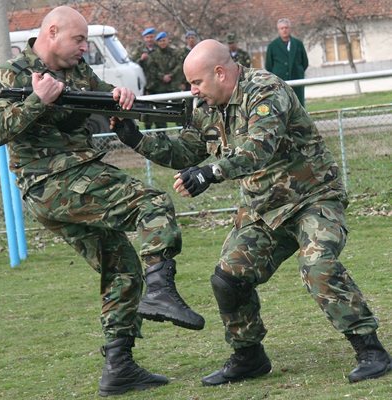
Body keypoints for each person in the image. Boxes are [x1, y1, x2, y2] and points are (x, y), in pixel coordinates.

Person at [112, 39, 391, 387]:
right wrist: (135, 139)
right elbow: (185, 151)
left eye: (196, 82)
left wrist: (210, 173)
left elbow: (258, 149)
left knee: (318, 265)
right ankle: (249, 357)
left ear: (219, 72)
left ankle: (370, 350)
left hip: (313, 198)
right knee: (228, 278)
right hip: (263, 209)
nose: (192, 91)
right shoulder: (208, 108)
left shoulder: (265, 91)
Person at [0, 6, 205, 397]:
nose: (85, 48)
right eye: (79, 40)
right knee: (151, 202)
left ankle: (119, 368)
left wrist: (119, 97)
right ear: (52, 33)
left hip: (75, 179)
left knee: (121, 267)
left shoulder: (78, 72)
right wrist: (37, 100)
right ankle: (160, 292)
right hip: (53, 181)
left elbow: (102, 96)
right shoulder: (11, 74)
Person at [265, 18, 309, 106]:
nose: (284, 30)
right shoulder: (272, 46)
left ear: (290, 29)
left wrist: (298, 72)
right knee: (283, 107)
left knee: (298, 105)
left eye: (286, 28)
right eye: (282, 28)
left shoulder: (298, 43)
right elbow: (269, 66)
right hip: (280, 82)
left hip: (297, 81)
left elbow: (305, 62)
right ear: (278, 30)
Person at [147, 31, 184, 132]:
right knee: (161, 113)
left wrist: (171, 75)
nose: (162, 43)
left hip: (173, 87)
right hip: (160, 88)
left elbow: (180, 65)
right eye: (160, 41)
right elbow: (152, 69)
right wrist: (162, 76)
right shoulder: (153, 55)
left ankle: (183, 133)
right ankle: (162, 135)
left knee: (179, 111)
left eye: (164, 40)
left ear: (168, 40)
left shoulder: (175, 53)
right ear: (157, 43)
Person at [131, 27, 156, 130]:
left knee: (160, 107)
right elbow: (132, 64)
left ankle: (161, 131)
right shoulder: (139, 50)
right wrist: (140, 59)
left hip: (157, 83)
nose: (149, 39)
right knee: (146, 109)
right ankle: (148, 130)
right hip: (144, 84)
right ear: (144, 39)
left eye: (151, 37)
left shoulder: (158, 49)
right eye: (147, 37)